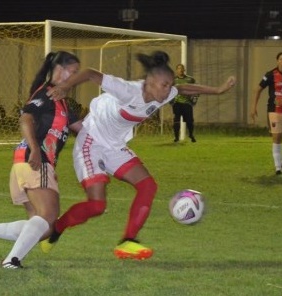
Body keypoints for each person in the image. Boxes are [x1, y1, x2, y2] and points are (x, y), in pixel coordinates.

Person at [42, 51, 236, 260]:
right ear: (149, 82)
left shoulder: (164, 93)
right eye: (164, 84)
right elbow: (90, 73)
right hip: (92, 141)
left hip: (115, 146)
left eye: (170, 84)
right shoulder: (127, 91)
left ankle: (128, 241)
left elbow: (183, 89)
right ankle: (56, 230)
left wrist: (218, 90)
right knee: (97, 206)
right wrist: (65, 86)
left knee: (148, 185)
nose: (168, 90)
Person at [0, 51, 83, 269]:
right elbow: (25, 118)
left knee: (44, 228)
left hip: (27, 164)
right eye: (74, 72)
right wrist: (35, 150)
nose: (76, 77)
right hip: (33, 161)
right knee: (48, 216)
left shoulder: (63, 103)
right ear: (60, 70)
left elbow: (84, 130)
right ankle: (12, 261)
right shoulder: (47, 94)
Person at [251, 51, 282, 176]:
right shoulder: (270, 74)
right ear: (277, 61)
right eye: (281, 59)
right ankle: (278, 168)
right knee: (277, 137)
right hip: (275, 111)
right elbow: (258, 89)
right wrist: (253, 107)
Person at [172, 64, 198, 143]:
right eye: (179, 69)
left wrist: (195, 99)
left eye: (182, 69)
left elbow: (197, 89)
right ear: (176, 70)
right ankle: (176, 137)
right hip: (177, 103)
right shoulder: (173, 80)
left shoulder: (190, 79)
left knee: (189, 121)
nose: (180, 70)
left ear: (184, 70)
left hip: (187, 103)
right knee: (176, 120)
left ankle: (191, 135)